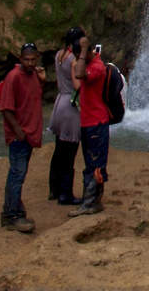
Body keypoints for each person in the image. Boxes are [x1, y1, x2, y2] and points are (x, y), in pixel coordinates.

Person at [0, 43, 45, 232]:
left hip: (28, 133)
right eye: (26, 59)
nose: (30, 63)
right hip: (20, 135)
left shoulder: (33, 76)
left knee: (17, 173)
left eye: (33, 59)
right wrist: (18, 131)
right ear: (20, 59)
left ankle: (11, 210)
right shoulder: (14, 77)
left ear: (37, 58)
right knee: (17, 174)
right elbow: (5, 108)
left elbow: (33, 97)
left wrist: (42, 80)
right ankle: (12, 215)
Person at [70, 33, 111, 215]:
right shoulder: (91, 64)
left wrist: (84, 51)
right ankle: (94, 201)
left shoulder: (96, 67)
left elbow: (78, 74)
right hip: (90, 122)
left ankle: (89, 203)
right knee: (93, 163)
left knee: (94, 165)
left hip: (96, 122)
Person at [48, 27, 84, 205]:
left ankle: (53, 189)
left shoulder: (59, 55)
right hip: (71, 106)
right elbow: (77, 85)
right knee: (70, 152)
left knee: (59, 150)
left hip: (59, 102)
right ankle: (65, 194)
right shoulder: (73, 60)